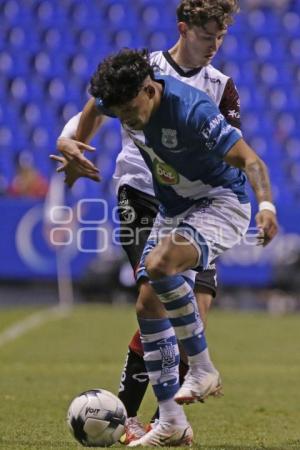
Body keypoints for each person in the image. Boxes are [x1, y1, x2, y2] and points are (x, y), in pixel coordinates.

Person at [53, 48, 278, 446]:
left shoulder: (192, 110)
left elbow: (252, 161)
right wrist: (69, 143)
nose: (126, 119)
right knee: (147, 304)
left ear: (149, 89)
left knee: (159, 267)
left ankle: (203, 368)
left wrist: (266, 206)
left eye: (130, 109)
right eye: (118, 112)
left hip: (221, 200)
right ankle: (171, 421)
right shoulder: (124, 99)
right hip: (173, 206)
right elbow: (93, 109)